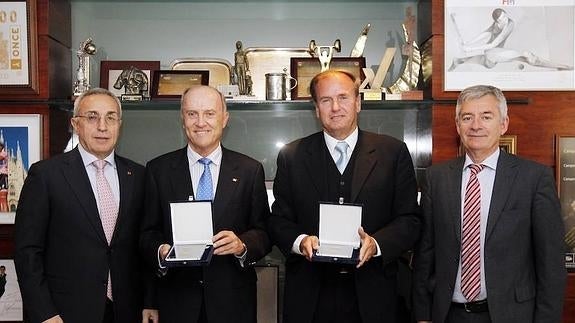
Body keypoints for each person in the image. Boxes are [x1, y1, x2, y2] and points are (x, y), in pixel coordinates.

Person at [267, 70, 421, 323]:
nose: (335, 107)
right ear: (316, 109)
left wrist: (378, 244)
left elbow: (410, 220)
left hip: (374, 295)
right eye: (326, 100)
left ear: (358, 102)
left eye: (343, 98)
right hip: (310, 297)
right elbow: (278, 221)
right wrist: (301, 241)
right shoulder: (292, 156)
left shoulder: (392, 152)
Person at [412, 85, 566, 323]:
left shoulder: (534, 178)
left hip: (512, 315)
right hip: (448, 314)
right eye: (467, 117)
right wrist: (422, 314)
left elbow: (551, 263)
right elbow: (426, 252)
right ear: (457, 126)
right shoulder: (437, 178)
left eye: (486, 116)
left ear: (503, 124)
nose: (476, 125)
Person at [14, 88, 158, 323]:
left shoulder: (138, 176)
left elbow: (145, 245)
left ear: (119, 125)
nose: (102, 126)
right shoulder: (46, 175)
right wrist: (44, 313)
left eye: (111, 117)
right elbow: (27, 252)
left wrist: (150, 301)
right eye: (92, 117)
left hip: (126, 310)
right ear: (75, 124)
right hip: (64, 312)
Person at [139, 85, 271, 323]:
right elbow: (147, 233)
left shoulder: (250, 170)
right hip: (176, 302)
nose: (201, 122)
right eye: (192, 114)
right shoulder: (158, 170)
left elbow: (264, 232)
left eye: (209, 113)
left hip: (232, 303)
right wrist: (160, 251)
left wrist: (242, 244)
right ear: (183, 119)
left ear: (224, 119)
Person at [449, 8, 573, 71]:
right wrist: (468, 43)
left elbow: (493, 44)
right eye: (501, 19)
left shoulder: (509, 24)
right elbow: (485, 33)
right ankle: (458, 61)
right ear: (496, 21)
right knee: (487, 57)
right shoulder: (497, 24)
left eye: (505, 16)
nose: (505, 19)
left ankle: (562, 66)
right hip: (491, 55)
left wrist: (470, 48)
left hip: (494, 53)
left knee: (529, 59)